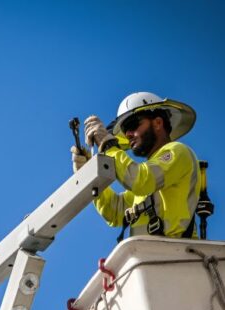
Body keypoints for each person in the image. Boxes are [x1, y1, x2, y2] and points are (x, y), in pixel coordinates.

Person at [72, 92, 201, 241]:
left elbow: (140, 180)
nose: (128, 134)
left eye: (132, 125)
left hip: (173, 257)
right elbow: (114, 210)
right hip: (147, 258)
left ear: (158, 123)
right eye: (125, 130)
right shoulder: (150, 182)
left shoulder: (178, 151)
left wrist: (108, 145)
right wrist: (90, 172)